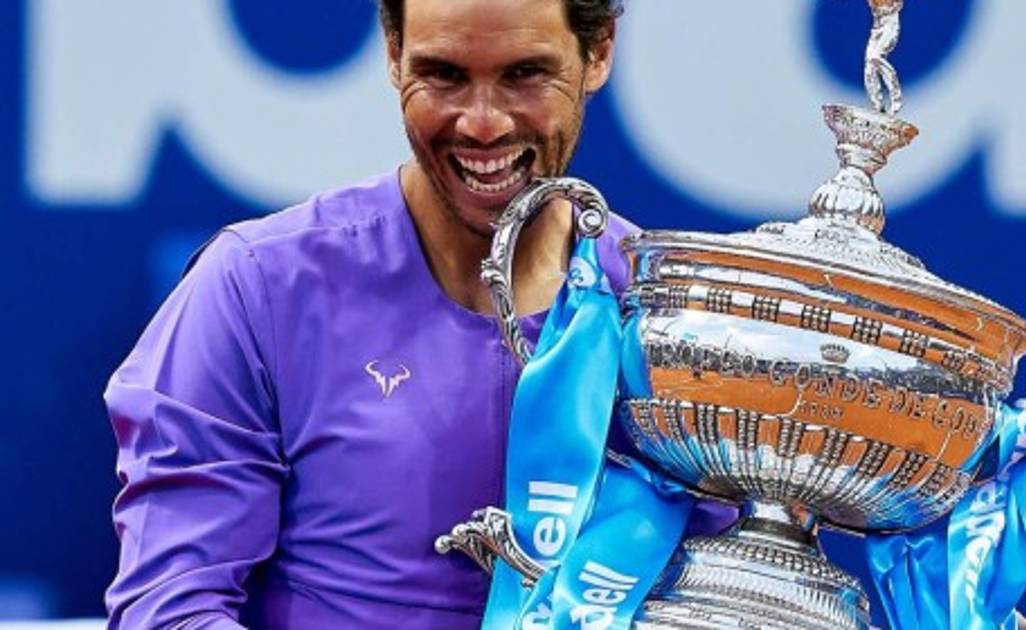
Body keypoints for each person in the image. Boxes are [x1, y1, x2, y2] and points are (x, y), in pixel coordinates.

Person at [103, 1, 634, 627]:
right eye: (443, 75)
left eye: (525, 74)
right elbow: (169, 607)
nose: (483, 124)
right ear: (393, 55)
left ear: (598, 53)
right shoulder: (256, 286)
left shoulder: (668, 316)